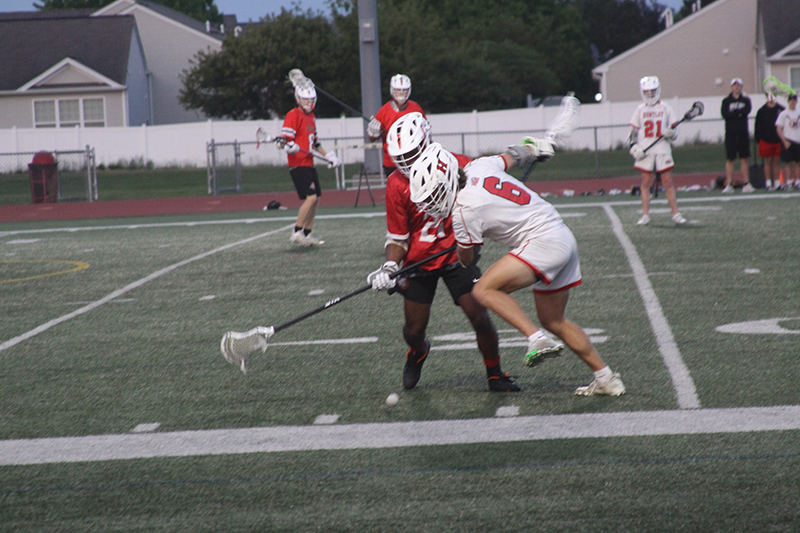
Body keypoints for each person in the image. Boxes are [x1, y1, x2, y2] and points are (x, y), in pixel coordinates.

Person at [408, 141, 626, 397]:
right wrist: (537, 148)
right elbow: (516, 155)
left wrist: (463, 242)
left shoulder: (463, 211)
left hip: (543, 241)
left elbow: (468, 260)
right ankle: (606, 378)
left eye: (433, 194)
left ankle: (535, 338)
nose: (430, 203)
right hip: (562, 236)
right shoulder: (480, 165)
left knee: (483, 290)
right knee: (553, 320)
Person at [367, 113, 563, 392]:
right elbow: (398, 236)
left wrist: (531, 152)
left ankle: (495, 373)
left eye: (411, 154)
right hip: (419, 261)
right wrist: (389, 266)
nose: (408, 163)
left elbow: (494, 174)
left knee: (479, 314)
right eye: (402, 158)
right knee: (413, 330)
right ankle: (419, 351)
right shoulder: (397, 184)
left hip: (458, 252)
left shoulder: (456, 163)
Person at [278, 83, 341, 246]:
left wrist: (328, 156)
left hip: (309, 162)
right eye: (305, 100)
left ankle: (306, 233)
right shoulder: (293, 115)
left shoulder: (312, 117)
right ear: (298, 99)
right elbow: (282, 141)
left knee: (316, 199)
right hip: (298, 163)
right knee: (311, 197)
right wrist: (288, 146)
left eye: (310, 100)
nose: (308, 103)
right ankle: (297, 231)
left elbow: (316, 143)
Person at [628, 76, 687, 226]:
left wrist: (671, 133)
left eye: (652, 91)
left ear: (658, 90)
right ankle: (645, 215)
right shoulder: (640, 109)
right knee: (646, 182)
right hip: (646, 150)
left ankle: (676, 214)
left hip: (662, 149)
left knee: (668, 181)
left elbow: (675, 132)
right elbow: (633, 132)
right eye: (647, 91)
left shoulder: (666, 108)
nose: (650, 94)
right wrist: (634, 147)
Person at [367, 74, 426, 178]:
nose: (402, 93)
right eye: (398, 89)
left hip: (413, 160)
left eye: (405, 90)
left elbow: (425, 133)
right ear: (392, 90)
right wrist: (372, 133)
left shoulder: (415, 108)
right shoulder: (384, 112)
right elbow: (372, 138)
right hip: (392, 163)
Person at [720, 78, 755, 193]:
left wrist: (735, 113)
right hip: (730, 134)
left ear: (741, 87)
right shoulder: (726, 101)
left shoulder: (746, 100)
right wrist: (737, 113)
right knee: (730, 159)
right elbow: (725, 114)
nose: (736, 87)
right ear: (731, 87)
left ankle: (746, 183)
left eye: (738, 85)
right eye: (734, 85)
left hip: (743, 133)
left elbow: (746, 110)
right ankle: (728, 184)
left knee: (744, 158)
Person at [754, 93, 785, 190]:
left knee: (777, 161)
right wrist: (759, 138)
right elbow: (757, 126)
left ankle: (777, 183)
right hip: (766, 140)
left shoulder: (781, 109)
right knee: (768, 161)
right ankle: (768, 183)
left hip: (778, 140)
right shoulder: (762, 111)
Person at [776, 92, 800, 190]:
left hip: (798, 141)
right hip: (788, 141)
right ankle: (789, 182)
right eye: (791, 100)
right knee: (788, 163)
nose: (793, 102)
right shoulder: (783, 114)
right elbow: (778, 128)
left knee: (798, 163)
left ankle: (798, 182)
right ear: (788, 101)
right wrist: (784, 141)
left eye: (794, 100)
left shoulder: (798, 113)